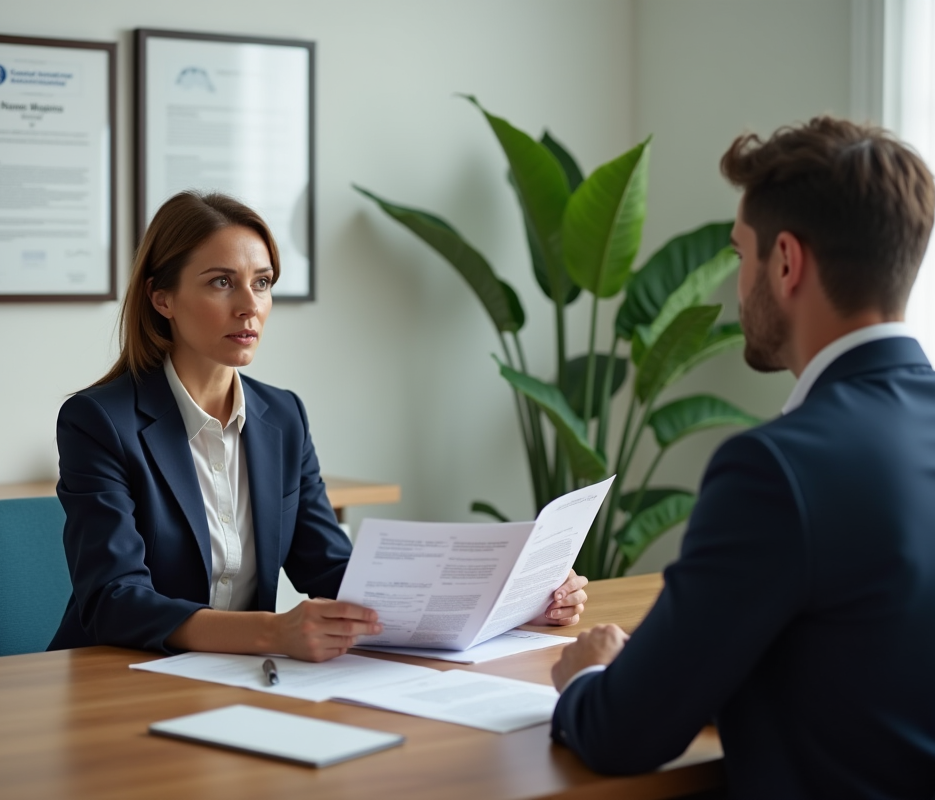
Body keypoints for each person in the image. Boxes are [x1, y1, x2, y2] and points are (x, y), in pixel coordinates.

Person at [549, 117, 935, 799]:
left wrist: (585, 678)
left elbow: (625, 733)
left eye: (741, 256)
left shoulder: (777, 470)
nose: (738, 287)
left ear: (788, 262)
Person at [49, 191, 589, 661]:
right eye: (221, 283)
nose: (249, 307)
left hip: (233, 679)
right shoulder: (99, 421)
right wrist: (273, 632)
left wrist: (515, 601)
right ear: (161, 297)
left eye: (261, 283)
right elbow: (114, 601)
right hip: (115, 678)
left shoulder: (281, 417)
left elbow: (332, 571)